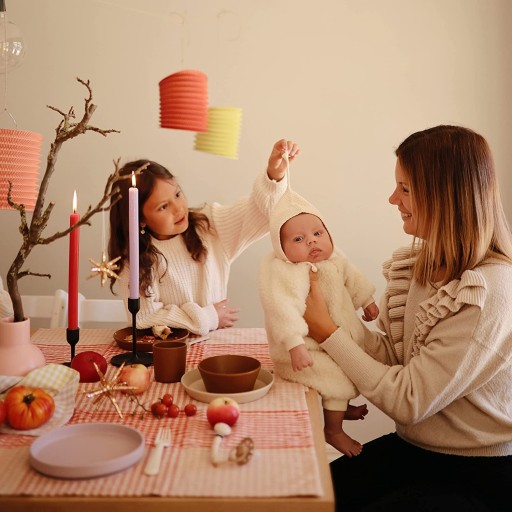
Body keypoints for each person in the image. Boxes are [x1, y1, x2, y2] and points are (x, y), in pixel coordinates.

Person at [304, 125, 512, 511]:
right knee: (308, 497)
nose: (392, 199)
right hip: (416, 449)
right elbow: (396, 355)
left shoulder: (487, 292)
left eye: (405, 189)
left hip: (480, 472)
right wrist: (333, 315)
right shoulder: (427, 265)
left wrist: (329, 333)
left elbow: (408, 399)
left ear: (444, 195)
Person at [108, 139, 300, 336]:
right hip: (165, 349)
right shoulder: (135, 259)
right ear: (139, 219)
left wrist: (275, 175)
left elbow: (263, 213)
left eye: (177, 194)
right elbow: (143, 317)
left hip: (216, 342)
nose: (178, 208)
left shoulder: (210, 225)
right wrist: (208, 317)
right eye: (163, 207)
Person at [259, 184, 378, 457]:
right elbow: (281, 308)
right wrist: (294, 344)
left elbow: (353, 277)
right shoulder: (287, 273)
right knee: (336, 376)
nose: (312, 241)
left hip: (334, 338)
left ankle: (338, 406)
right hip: (306, 348)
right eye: (298, 239)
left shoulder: (335, 259)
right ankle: (333, 430)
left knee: (353, 365)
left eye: (317, 233)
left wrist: (367, 300)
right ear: (281, 248)